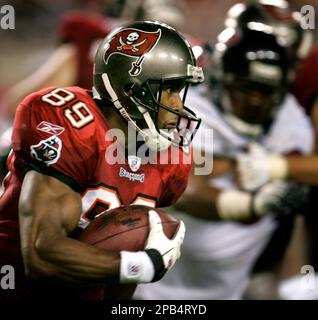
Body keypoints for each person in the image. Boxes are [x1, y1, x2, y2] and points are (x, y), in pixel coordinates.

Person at [0, 20, 204, 300]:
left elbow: (123, 258)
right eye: (169, 89)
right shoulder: (73, 123)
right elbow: (40, 255)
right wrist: (142, 265)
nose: (179, 105)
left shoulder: (170, 159)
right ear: (132, 89)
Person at [133, 25, 313, 300]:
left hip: (231, 286)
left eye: (266, 91)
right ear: (221, 79)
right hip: (149, 281)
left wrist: (279, 167)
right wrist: (252, 203)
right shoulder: (188, 104)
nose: (255, 100)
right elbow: (180, 185)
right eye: (247, 87)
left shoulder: (288, 118)